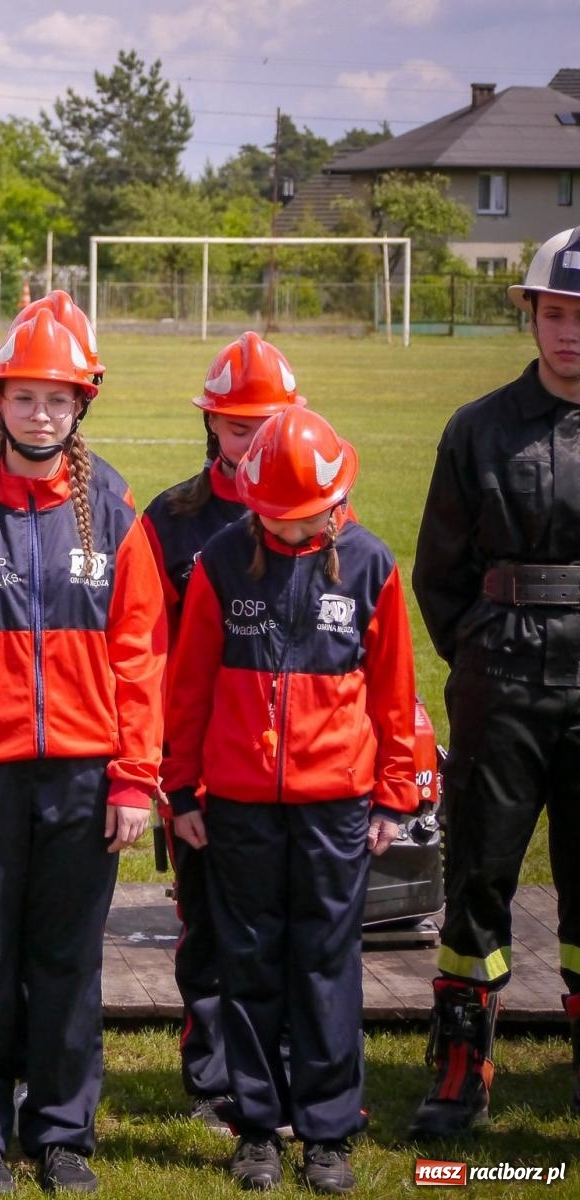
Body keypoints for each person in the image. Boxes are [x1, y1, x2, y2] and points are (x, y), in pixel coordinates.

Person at [0, 312, 165, 1194]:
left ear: (80, 405)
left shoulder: (117, 507)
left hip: (87, 778)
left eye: (58, 399)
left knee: (67, 959)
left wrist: (133, 778)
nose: (42, 414)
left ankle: (61, 1135)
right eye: (26, 396)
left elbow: (139, 656)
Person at [165, 406, 416, 1193]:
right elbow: (190, 686)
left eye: (300, 517)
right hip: (236, 806)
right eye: (270, 515)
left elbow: (395, 693)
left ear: (335, 500)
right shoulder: (218, 560)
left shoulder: (372, 566)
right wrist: (180, 789)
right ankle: (256, 1129)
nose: (284, 530)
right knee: (249, 965)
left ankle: (329, 1131)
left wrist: (394, 796)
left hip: (335, 809)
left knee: (325, 966)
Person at [411, 225, 580, 1134]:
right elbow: (437, 573)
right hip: (501, 682)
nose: (570, 333)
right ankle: (461, 1064)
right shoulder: (477, 429)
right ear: (531, 316)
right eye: (556, 313)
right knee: (480, 872)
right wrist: (480, 655)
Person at [137, 333, 304, 1133]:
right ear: (211, 427)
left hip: (298, 770)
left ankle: (289, 1070)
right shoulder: (168, 521)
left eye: (266, 424)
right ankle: (209, 1076)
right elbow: (144, 653)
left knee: (296, 925)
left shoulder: (321, 514)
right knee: (207, 926)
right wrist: (167, 772)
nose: (252, 443)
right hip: (202, 766)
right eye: (237, 428)